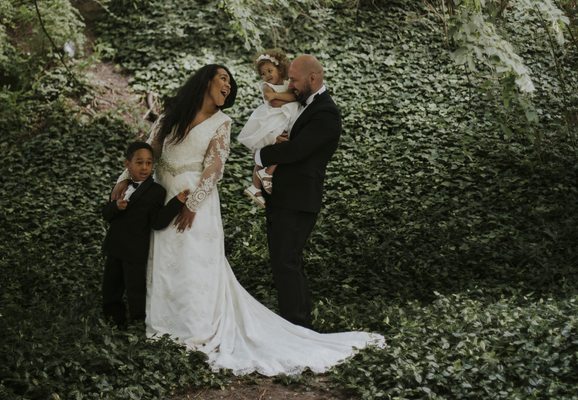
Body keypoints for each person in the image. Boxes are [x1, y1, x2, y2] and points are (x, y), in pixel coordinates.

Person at [112, 64, 383, 375]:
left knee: (191, 261)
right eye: (223, 77)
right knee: (160, 257)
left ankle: (193, 327)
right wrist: (124, 180)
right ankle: (159, 321)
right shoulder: (168, 117)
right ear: (206, 80)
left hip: (196, 198)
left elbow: (214, 167)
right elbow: (151, 152)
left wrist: (194, 203)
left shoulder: (222, 122)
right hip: (162, 198)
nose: (229, 85)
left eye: (231, 83)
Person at [254, 54, 339, 329]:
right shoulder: (303, 105)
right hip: (285, 198)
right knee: (285, 262)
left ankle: (297, 327)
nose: (290, 85)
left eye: (294, 79)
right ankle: (297, 325)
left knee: (286, 263)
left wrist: (261, 155)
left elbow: (298, 150)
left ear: (313, 79)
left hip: (298, 199)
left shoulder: (326, 112)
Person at [101, 141, 188, 327]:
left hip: (135, 250)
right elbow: (106, 214)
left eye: (149, 163)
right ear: (128, 164)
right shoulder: (121, 187)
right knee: (111, 286)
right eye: (139, 162)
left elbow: (157, 222)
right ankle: (113, 318)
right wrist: (116, 206)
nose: (144, 167)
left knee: (136, 289)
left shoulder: (157, 191)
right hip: (115, 246)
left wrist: (176, 203)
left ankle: (138, 320)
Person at [237, 50, 299, 208]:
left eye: (270, 71)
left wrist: (277, 95)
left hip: (283, 121)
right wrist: (276, 98)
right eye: (263, 73)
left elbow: (295, 97)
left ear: (280, 69)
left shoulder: (288, 85)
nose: (267, 75)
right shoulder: (266, 86)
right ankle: (262, 179)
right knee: (270, 150)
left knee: (280, 147)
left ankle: (257, 185)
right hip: (271, 121)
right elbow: (275, 104)